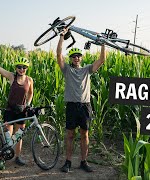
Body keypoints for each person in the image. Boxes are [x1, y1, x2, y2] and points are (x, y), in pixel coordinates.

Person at [56, 29, 106, 173]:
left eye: (78, 56)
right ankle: (68, 162)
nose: (76, 58)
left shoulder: (87, 70)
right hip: (71, 106)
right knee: (70, 135)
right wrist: (61, 37)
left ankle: (84, 161)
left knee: (85, 134)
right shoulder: (67, 70)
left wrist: (103, 43)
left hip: (85, 106)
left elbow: (101, 60)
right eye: (73, 56)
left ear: (81, 58)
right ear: (71, 58)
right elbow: (59, 55)